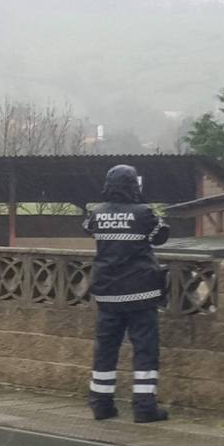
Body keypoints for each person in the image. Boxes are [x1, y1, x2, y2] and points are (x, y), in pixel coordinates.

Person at [82, 164, 170, 423]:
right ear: (134, 186)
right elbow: (160, 236)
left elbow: (87, 227)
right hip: (140, 293)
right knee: (144, 349)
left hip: (107, 293)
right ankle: (144, 408)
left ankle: (101, 404)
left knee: (106, 349)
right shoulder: (143, 213)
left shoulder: (96, 214)